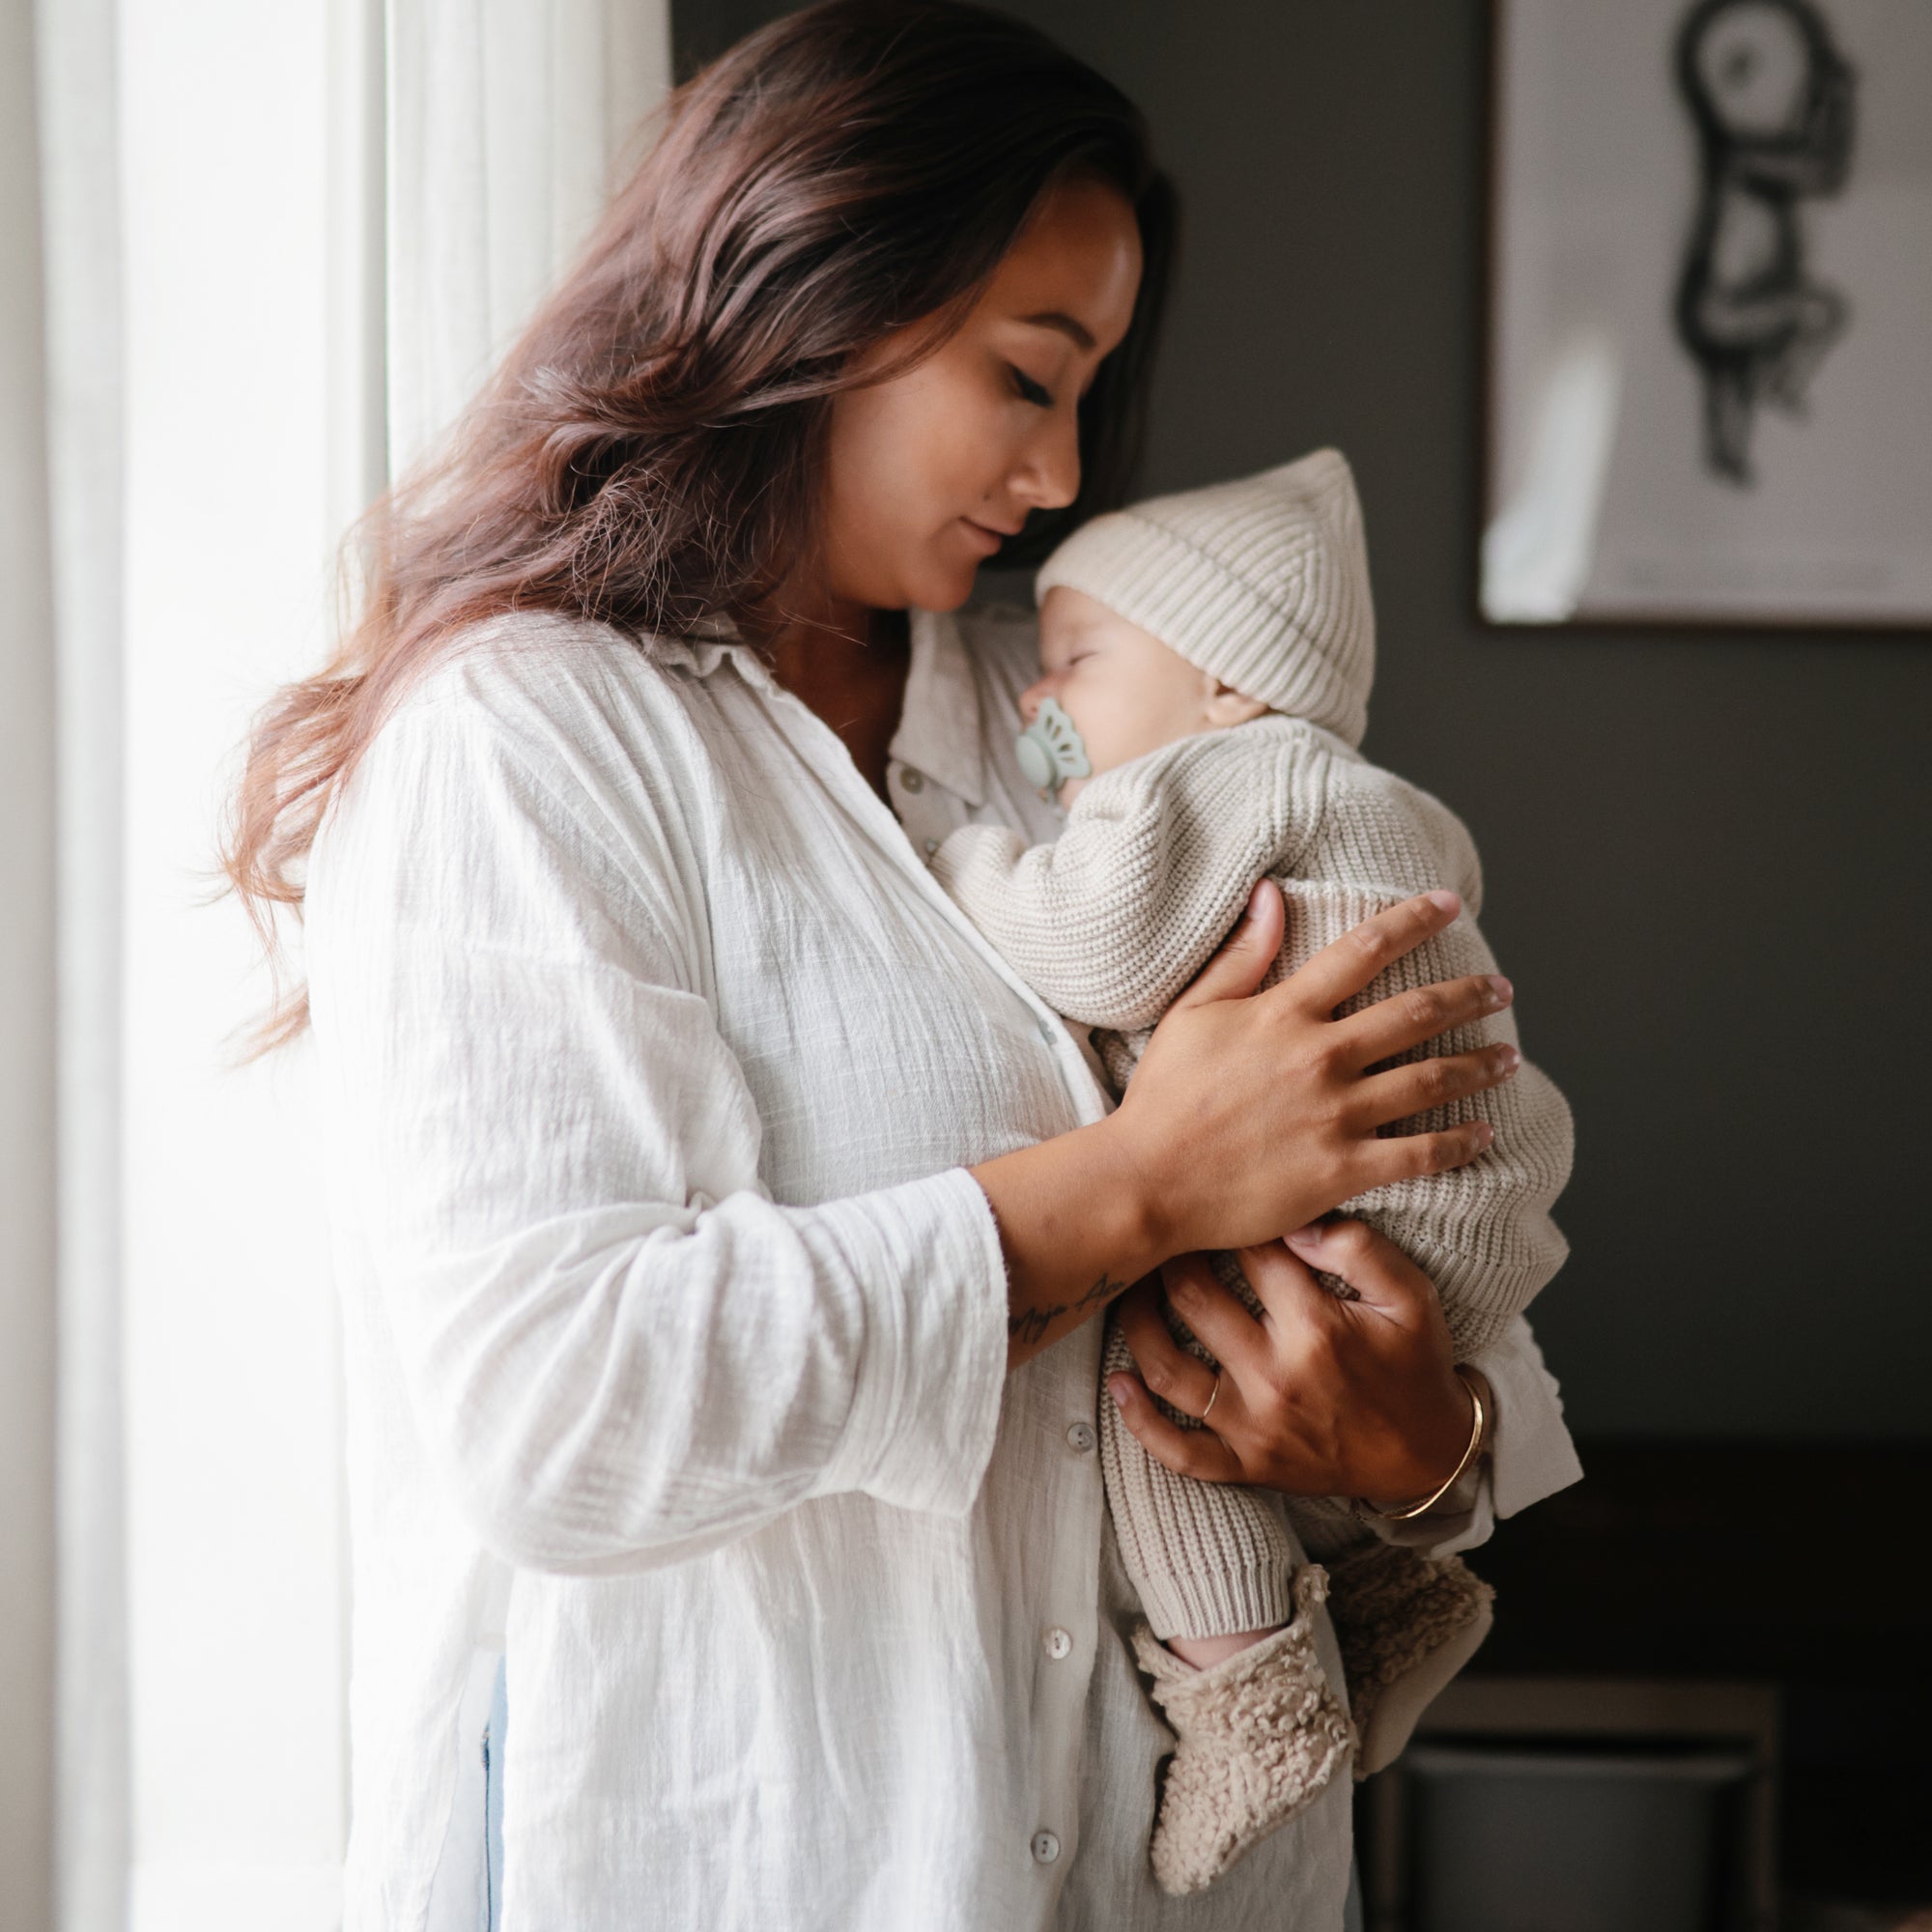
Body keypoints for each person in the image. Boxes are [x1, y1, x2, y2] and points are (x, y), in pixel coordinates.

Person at [224, 5, 1581, 1926]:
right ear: (815, 289)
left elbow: (1404, 1218)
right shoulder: (529, 742)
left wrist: (1424, 1452)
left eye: (1088, 397)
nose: (1061, 472)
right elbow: (559, 1412)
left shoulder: (1091, 715)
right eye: (1026, 378)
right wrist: (1141, 1184)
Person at [930, 448, 1575, 1891]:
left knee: (1151, 1407)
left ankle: (1251, 1701)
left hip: (1360, 1209)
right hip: (1448, 1218)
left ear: (1224, 683)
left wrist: (964, 863)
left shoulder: (1219, 775)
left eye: (1078, 660)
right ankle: (1392, 1601)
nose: (1040, 701)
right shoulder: (1364, 795)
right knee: (1244, 1406)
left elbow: (1094, 944)